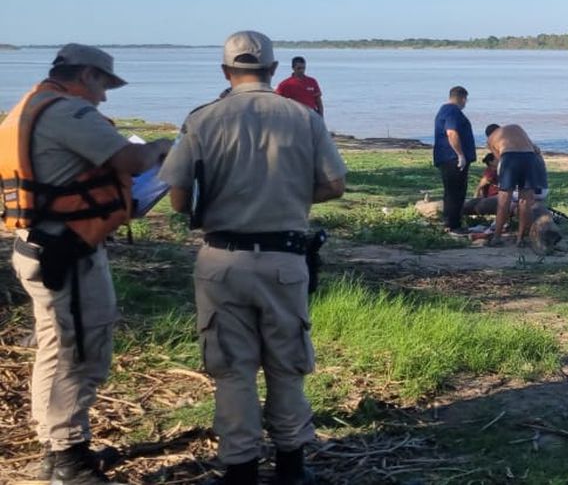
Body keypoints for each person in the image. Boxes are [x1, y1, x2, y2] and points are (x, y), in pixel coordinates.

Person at [160, 31, 347, 485]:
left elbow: (179, 200)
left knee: (232, 369)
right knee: (287, 365)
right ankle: (290, 467)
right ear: (275, 70)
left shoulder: (202, 120)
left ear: (226, 72)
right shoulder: (303, 118)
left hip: (222, 259)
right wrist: (287, 197)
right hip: (285, 258)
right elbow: (334, 184)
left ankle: (240, 468)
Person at [1, 44, 171, 484]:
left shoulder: (31, 104)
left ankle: (55, 446)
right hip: (65, 251)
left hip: (41, 245)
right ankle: (68, 458)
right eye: (103, 85)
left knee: (56, 348)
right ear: (87, 75)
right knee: (81, 353)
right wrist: (162, 147)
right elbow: (130, 160)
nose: (104, 98)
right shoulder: (67, 111)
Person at [485, 123, 549, 246]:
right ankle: (522, 238)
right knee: (525, 202)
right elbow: (535, 149)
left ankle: (497, 237)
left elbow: (500, 159)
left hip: (510, 157)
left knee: (504, 200)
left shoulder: (490, 140)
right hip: (530, 158)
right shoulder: (516, 127)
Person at [432, 86, 475, 235]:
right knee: (456, 192)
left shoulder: (444, 110)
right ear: (462, 98)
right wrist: (460, 155)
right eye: (466, 100)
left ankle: (450, 222)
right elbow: (451, 133)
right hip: (452, 158)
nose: (465, 103)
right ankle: (453, 225)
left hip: (447, 157)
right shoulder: (452, 111)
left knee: (452, 191)